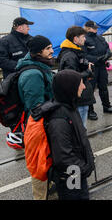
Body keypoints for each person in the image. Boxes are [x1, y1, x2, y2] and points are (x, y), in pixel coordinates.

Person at [46, 70, 95, 200]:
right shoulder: (59, 119)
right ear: (70, 88)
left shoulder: (69, 107)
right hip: (71, 176)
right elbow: (63, 158)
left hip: (76, 173)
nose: (84, 87)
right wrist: (84, 169)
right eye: (80, 84)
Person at [17, 35, 54, 200]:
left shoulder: (40, 66)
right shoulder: (33, 74)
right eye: (48, 48)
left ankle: (50, 189)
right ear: (38, 52)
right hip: (38, 126)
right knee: (40, 163)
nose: (52, 51)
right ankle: (41, 196)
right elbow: (36, 108)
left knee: (46, 160)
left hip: (44, 123)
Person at [57, 26, 96, 127]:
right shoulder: (70, 55)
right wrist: (88, 72)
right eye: (83, 36)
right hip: (78, 97)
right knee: (80, 127)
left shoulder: (73, 51)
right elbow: (71, 77)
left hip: (79, 96)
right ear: (75, 39)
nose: (85, 39)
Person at [83, 20, 112, 120]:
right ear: (88, 28)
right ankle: (90, 110)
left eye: (96, 28)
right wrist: (96, 59)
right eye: (94, 28)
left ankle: (106, 106)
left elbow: (107, 48)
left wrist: (107, 54)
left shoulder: (100, 37)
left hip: (102, 66)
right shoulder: (84, 39)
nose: (96, 29)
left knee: (103, 87)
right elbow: (83, 55)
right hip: (92, 67)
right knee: (90, 89)